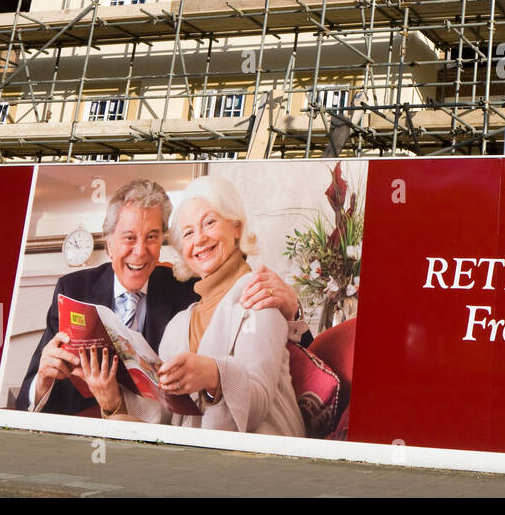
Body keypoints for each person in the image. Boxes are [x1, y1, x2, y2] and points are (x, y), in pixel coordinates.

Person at [16, 177, 306, 416]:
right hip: (83, 425)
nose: (140, 251)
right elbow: (29, 399)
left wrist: (293, 312)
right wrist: (43, 381)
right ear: (110, 244)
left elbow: (287, 361)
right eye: (129, 238)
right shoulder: (73, 289)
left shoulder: (190, 291)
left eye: (152, 237)